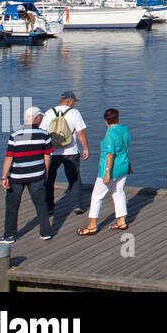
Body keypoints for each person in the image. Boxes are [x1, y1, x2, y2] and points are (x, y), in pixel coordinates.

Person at [0, 106, 53, 244]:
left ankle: (9, 235)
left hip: (17, 176)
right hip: (37, 175)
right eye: (40, 117)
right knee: (41, 204)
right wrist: (46, 171)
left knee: (12, 206)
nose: (42, 119)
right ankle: (45, 232)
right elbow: (47, 156)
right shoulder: (45, 135)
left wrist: (4, 176)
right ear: (35, 119)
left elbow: (8, 157)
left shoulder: (15, 135)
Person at [77, 108, 131, 236]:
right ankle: (122, 220)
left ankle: (92, 225)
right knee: (118, 192)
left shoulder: (110, 134)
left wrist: (107, 173)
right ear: (117, 118)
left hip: (111, 169)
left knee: (97, 196)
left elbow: (109, 155)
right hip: (123, 166)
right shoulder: (125, 129)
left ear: (105, 121)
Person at [41, 90, 89, 220]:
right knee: (74, 178)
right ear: (70, 101)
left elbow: (42, 133)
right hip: (71, 151)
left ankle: (49, 207)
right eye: (74, 102)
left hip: (52, 152)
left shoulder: (49, 112)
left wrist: (42, 151)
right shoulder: (74, 113)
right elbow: (80, 133)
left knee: (49, 178)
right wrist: (85, 148)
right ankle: (77, 205)